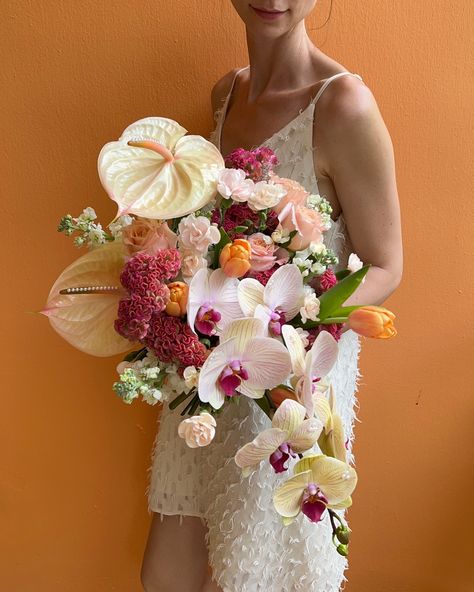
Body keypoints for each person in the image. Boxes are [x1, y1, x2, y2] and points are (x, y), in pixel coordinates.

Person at [141, 2, 403, 591]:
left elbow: (386, 264)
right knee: (166, 575)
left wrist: (293, 323)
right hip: (206, 371)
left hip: (287, 380)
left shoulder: (344, 105)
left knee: (257, 573)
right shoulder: (224, 94)